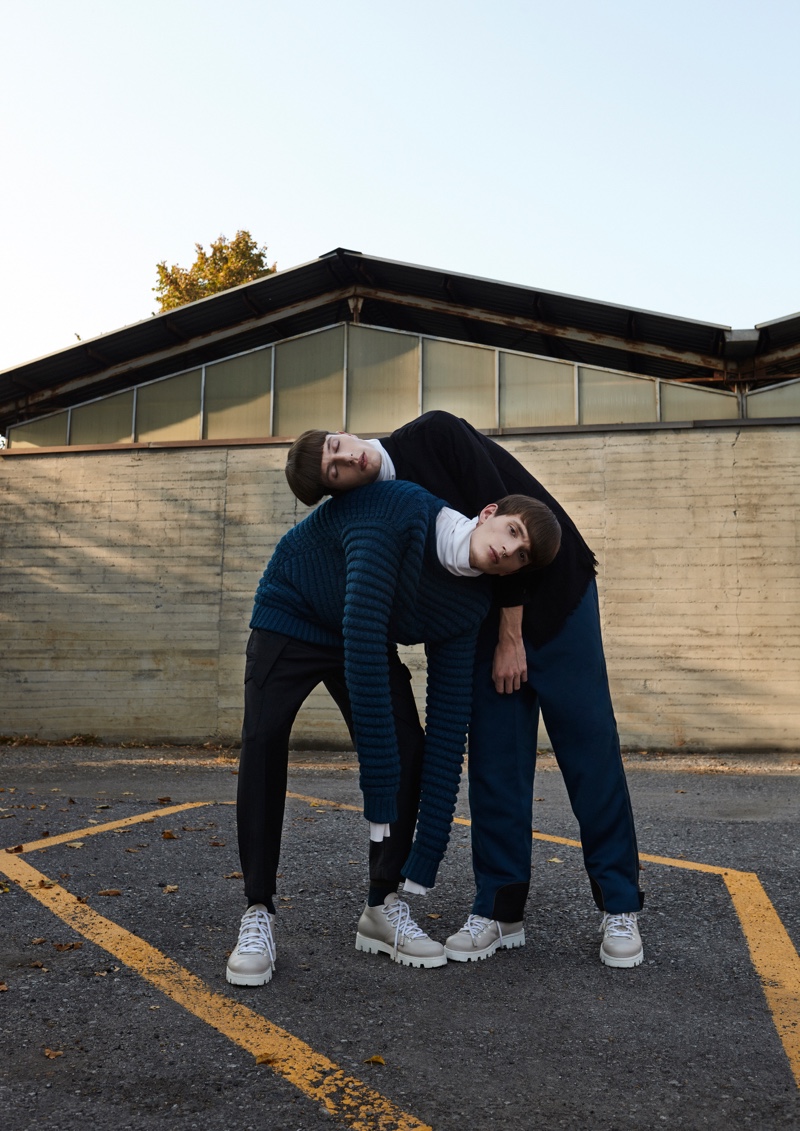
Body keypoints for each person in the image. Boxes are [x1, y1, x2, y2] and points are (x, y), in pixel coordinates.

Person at [285, 411, 645, 969]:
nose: (347, 460)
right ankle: (500, 911)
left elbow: (512, 523)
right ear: (336, 492)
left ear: (344, 431)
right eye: (334, 473)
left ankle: (619, 906)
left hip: (556, 594)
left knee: (587, 745)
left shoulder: (436, 435)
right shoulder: (373, 506)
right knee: (497, 758)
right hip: (480, 620)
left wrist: (511, 636)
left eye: (338, 446)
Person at [227, 478, 561, 986]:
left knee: (411, 747)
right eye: (511, 531)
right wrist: (378, 788)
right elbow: (361, 627)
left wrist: (427, 849)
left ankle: (382, 905)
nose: (508, 550)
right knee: (263, 741)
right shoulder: (401, 512)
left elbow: (451, 722)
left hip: (360, 632)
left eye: (520, 555)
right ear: (488, 512)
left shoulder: (470, 603)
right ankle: (258, 911)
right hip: (293, 611)